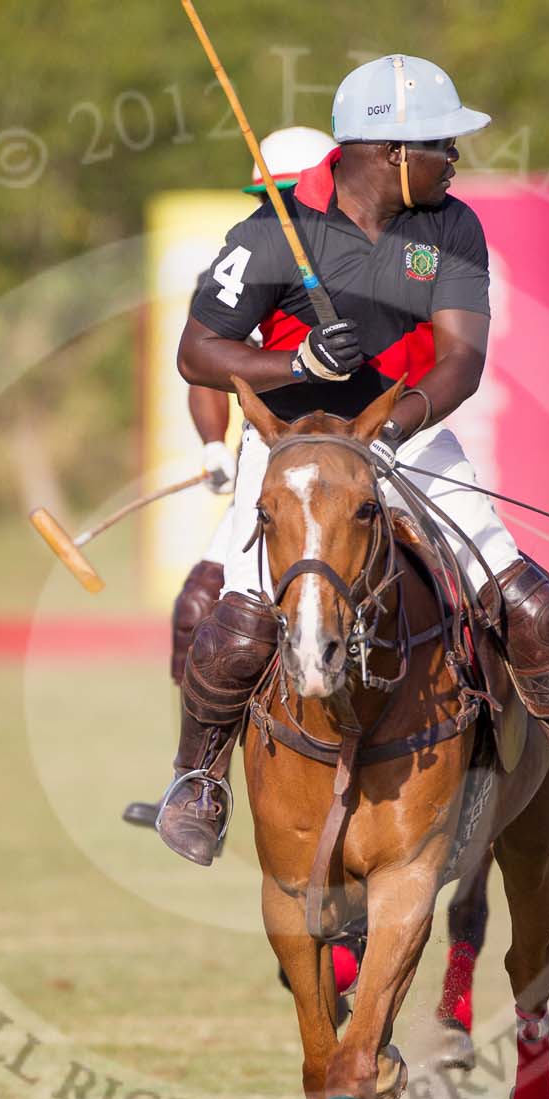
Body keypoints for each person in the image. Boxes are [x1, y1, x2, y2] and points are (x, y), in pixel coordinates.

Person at [154, 54, 549, 866]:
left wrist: (394, 425)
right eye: (442, 145)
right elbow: (197, 353)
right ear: (388, 151)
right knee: (239, 621)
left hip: (407, 436)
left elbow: (461, 358)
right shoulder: (275, 230)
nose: (455, 160)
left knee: (525, 597)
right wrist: (300, 368)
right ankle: (196, 783)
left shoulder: (450, 225)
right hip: (293, 448)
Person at [123, 126, 340, 828]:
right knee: (199, 606)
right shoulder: (244, 258)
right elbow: (211, 358)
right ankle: (197, 782)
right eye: (264, 198)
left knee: (478, 578)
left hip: (373, 444)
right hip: (272, 454)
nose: (271, 213)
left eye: (286, 197)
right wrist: (216, 443)